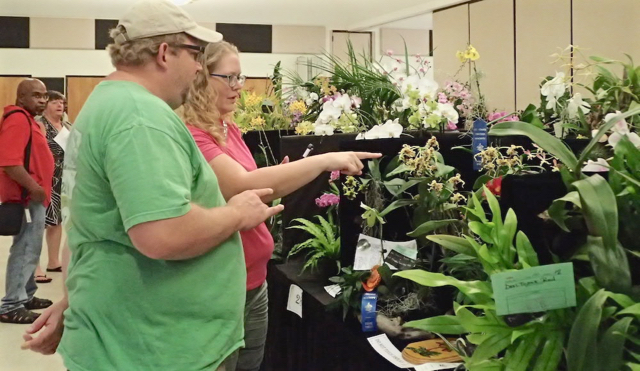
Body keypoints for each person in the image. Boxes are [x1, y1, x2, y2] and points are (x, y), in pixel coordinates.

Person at [21, 1, 282, 370]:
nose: (198, 67)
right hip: (157, 347)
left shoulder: (110, 102)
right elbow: (164, 234)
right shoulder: (140, 117)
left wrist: (75, 300)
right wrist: (237, 214)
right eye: (195, 54)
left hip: (132, 330)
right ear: (164, 53)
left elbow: (93, 224)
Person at [180, 41, 381, 371]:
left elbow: (251, 190)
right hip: (221, 287)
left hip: (253, 281)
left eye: (240, 78)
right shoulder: (193, 135)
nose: (238, 88)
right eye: (229, 78)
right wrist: (324, 160)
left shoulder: (227, 126)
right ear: (200, 78)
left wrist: (281, 177)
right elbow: (244, 185)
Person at [0, 78, 55, 324]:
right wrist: (34, 187)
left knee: (31, 247)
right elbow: (10, 162)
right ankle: (11, 304)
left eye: (44, 96)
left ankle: (26, 295)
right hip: (26, 198)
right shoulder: (17, 120)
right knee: (25, 248)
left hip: (33, 198)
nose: (42, 100)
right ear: (21, 97)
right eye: (36, 95)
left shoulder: (28, 120)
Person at [35, 90, 72, 282]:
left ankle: (54, 261)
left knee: (56, 221)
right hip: (46, 177)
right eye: (55, 102)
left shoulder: (67, 125)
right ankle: (35, 267)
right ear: (46, 105)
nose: (60, 105)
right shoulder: (40, 124)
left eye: (62, 102)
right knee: (39, 222)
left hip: (64, 179)